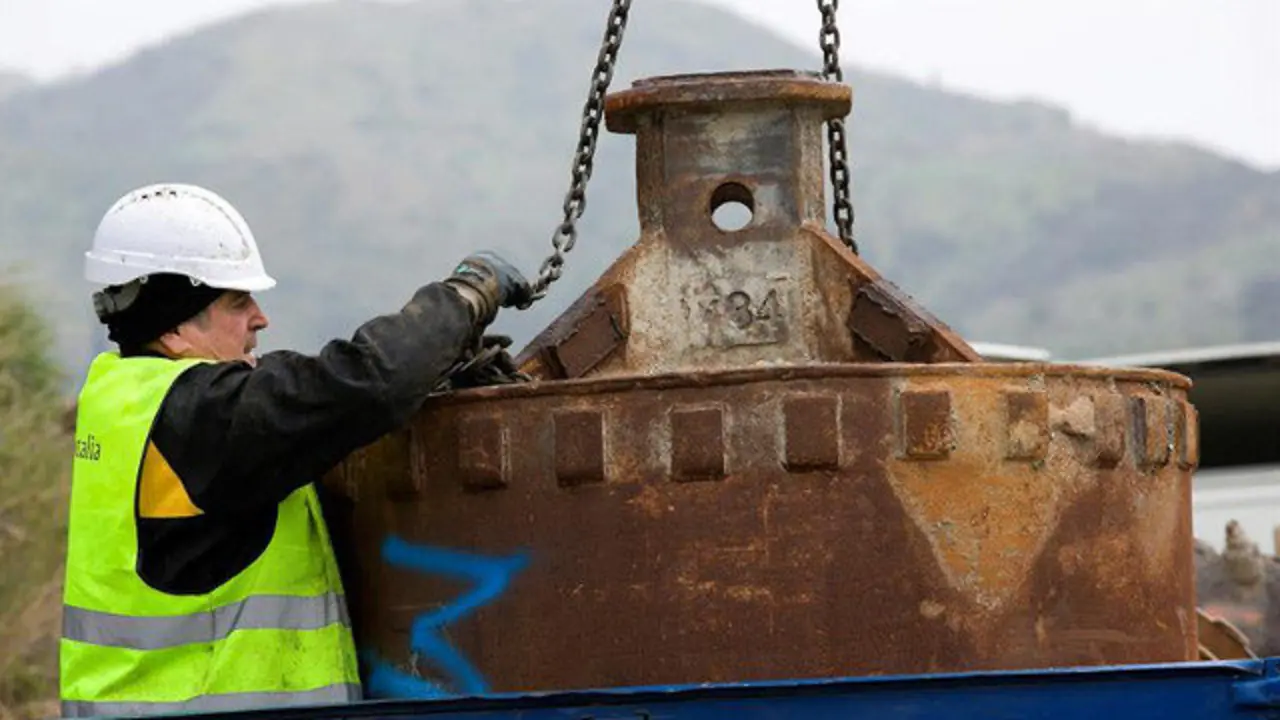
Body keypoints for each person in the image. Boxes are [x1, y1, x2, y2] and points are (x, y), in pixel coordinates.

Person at [59, 183, 533, 717]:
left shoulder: (121, 398)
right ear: (173, 325)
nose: (260, 318)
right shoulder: (203, 420)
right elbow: (367, 382)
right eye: (237, 302)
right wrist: (466, 296)